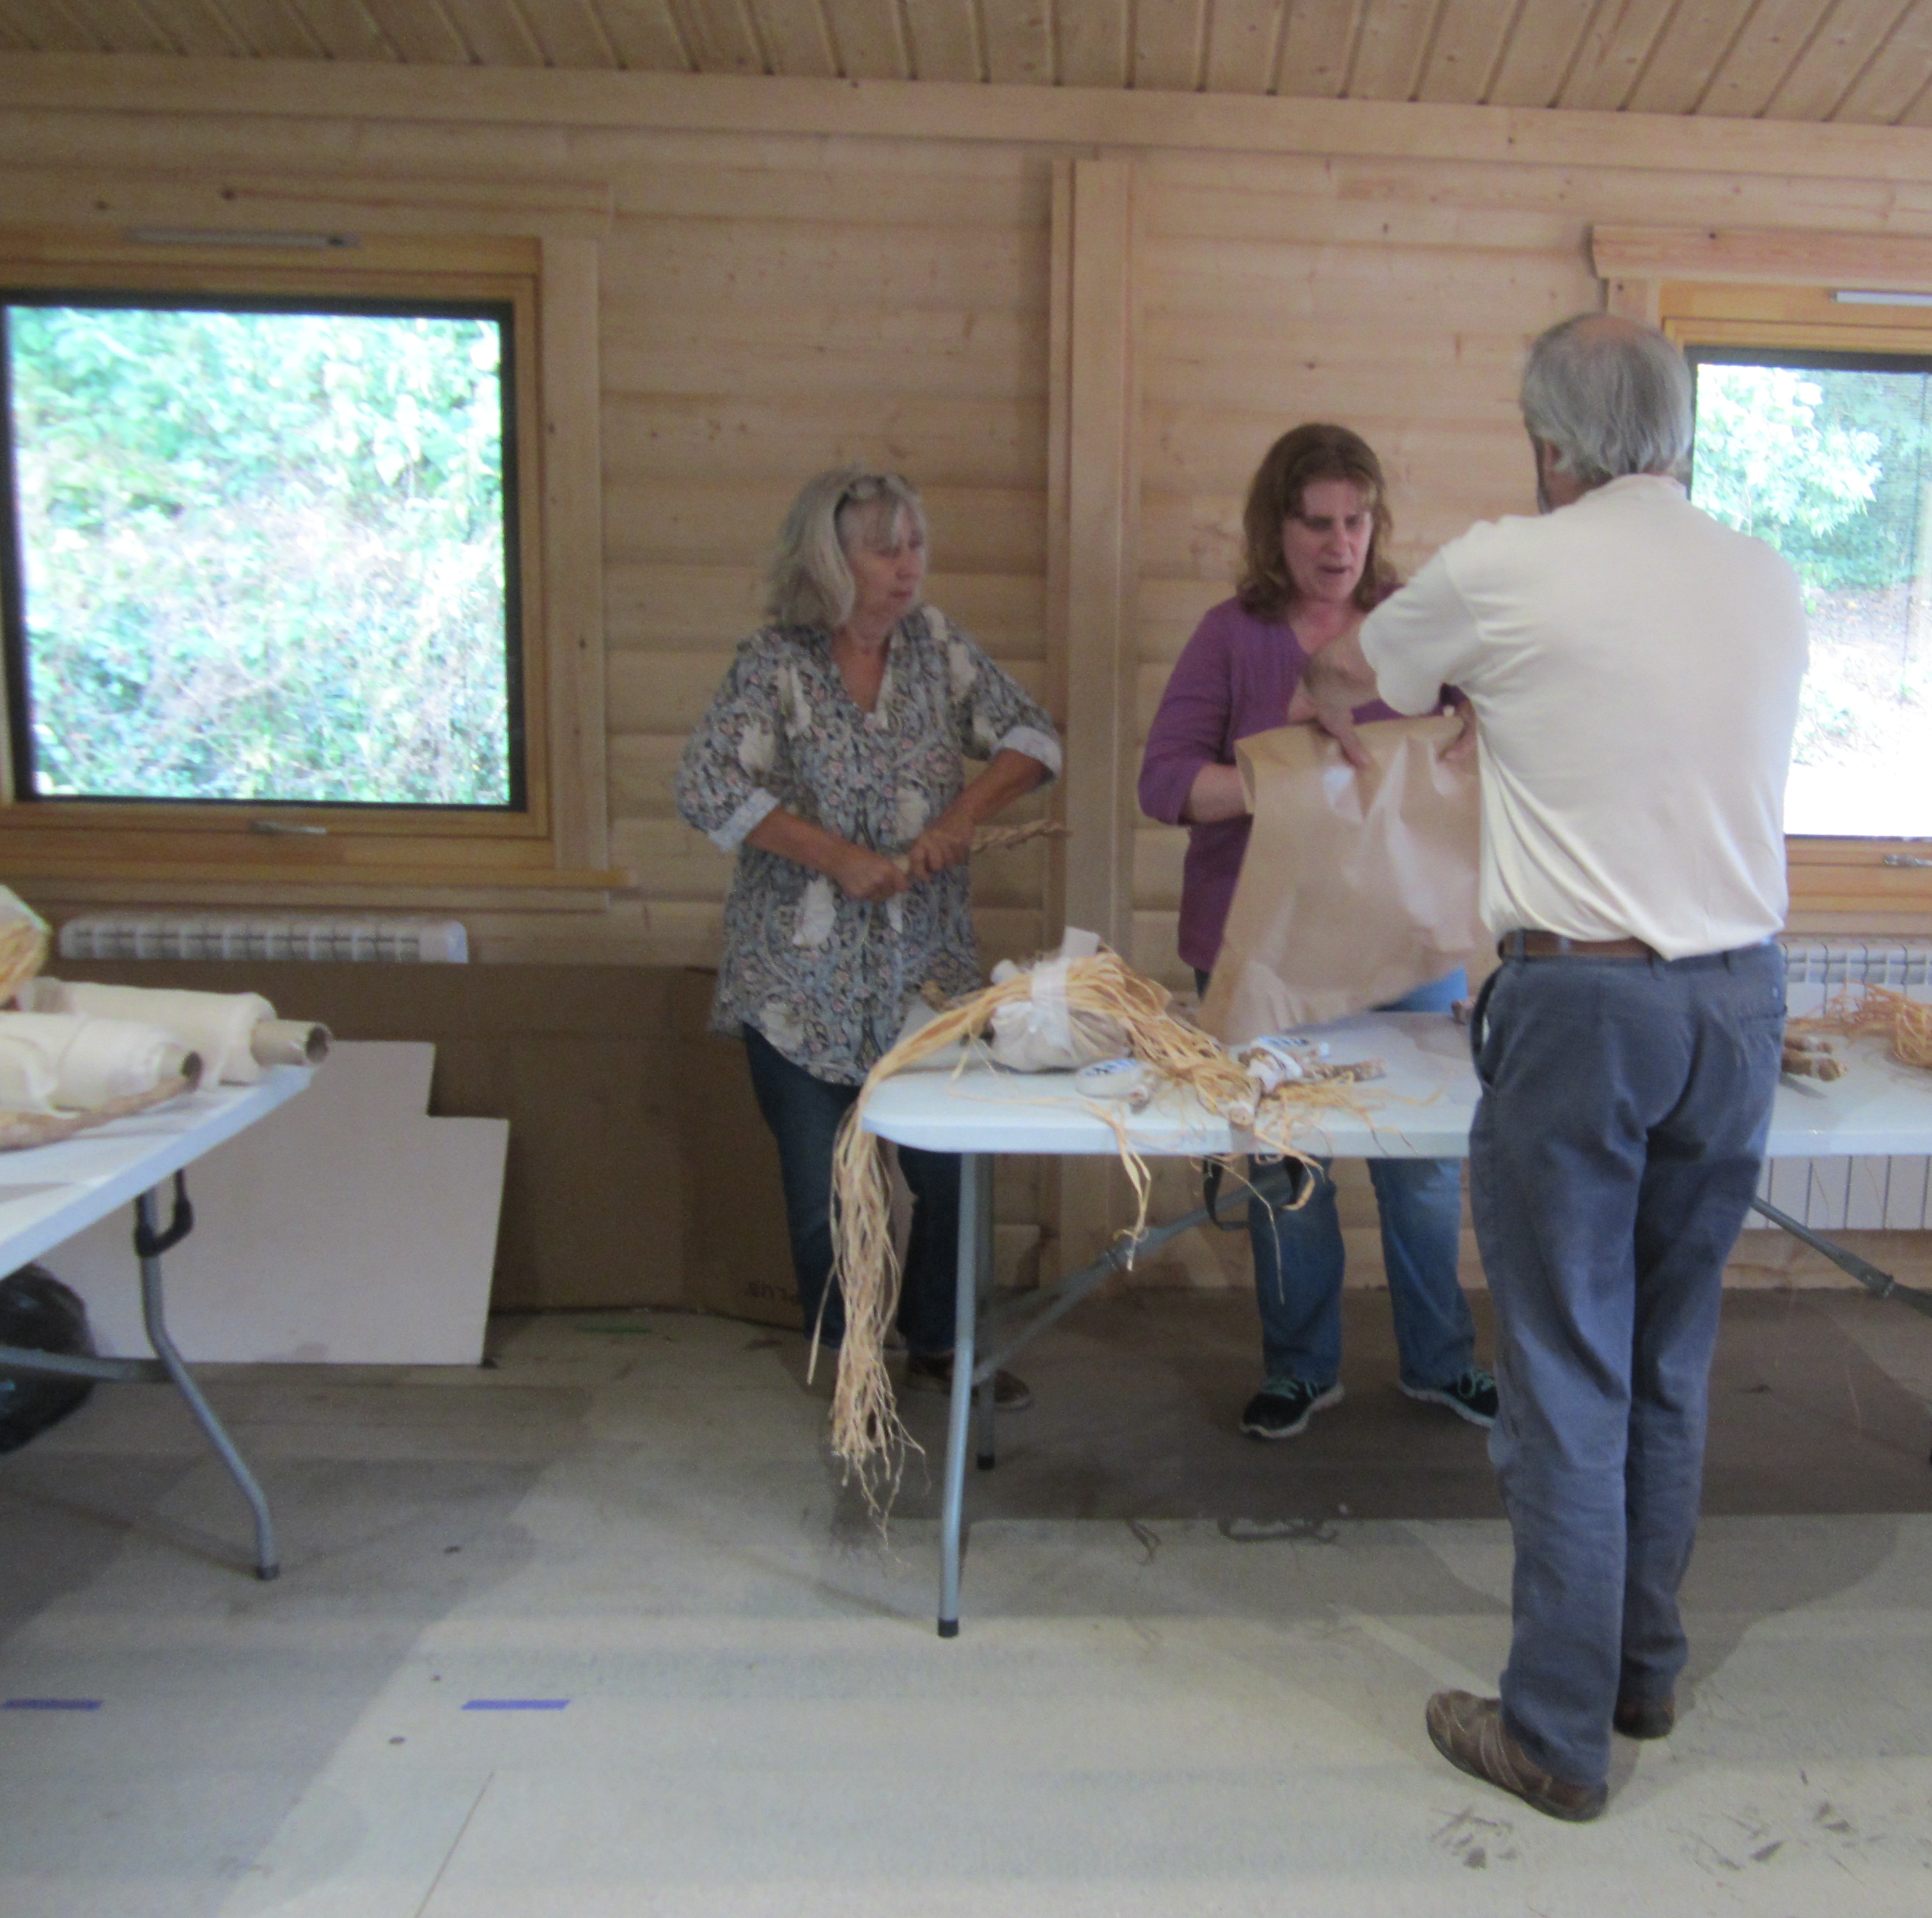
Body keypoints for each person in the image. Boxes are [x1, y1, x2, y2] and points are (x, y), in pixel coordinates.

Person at [1297, 316, 1808, 1820]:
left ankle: (1554, 1736)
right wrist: (1501, 705)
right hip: (1740, 1002)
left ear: (1547, 443)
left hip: (1584, 1008)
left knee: (1566, 1373)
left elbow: (1335, 673)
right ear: (1678, 435)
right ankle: (1640, 1670)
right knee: (1664, 1356)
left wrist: (1437, 702)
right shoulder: (1764, 577)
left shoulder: (1506, 566)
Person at [1137, 422, 1497, 1441]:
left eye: (1356, 521)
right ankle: (1300, 1369)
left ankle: (1440, 1361)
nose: (1339, 545)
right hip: (1268, 947)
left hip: (1404, 942)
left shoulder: (1408, 629)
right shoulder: (1231, 637)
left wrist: (1484, 721)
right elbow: (1164, 785)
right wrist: (1285, 774)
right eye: (1316, 524)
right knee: (1286, 1170)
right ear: (1276, 527)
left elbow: (1490, 735)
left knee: (1422, 1165)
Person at [676, 468, 1062, 1407]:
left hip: (922, 980)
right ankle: (856, 1375)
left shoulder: (937, 650)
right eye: (884, 550)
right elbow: (706, 787)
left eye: (914, 545)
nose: (907, 566)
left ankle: (939, 1344)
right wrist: (837, 858)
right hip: (795, 988)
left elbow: (1034, 739)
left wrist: (963, 815)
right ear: (828, 561)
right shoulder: (774, 664)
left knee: (951, 1175)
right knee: (827, 1198)